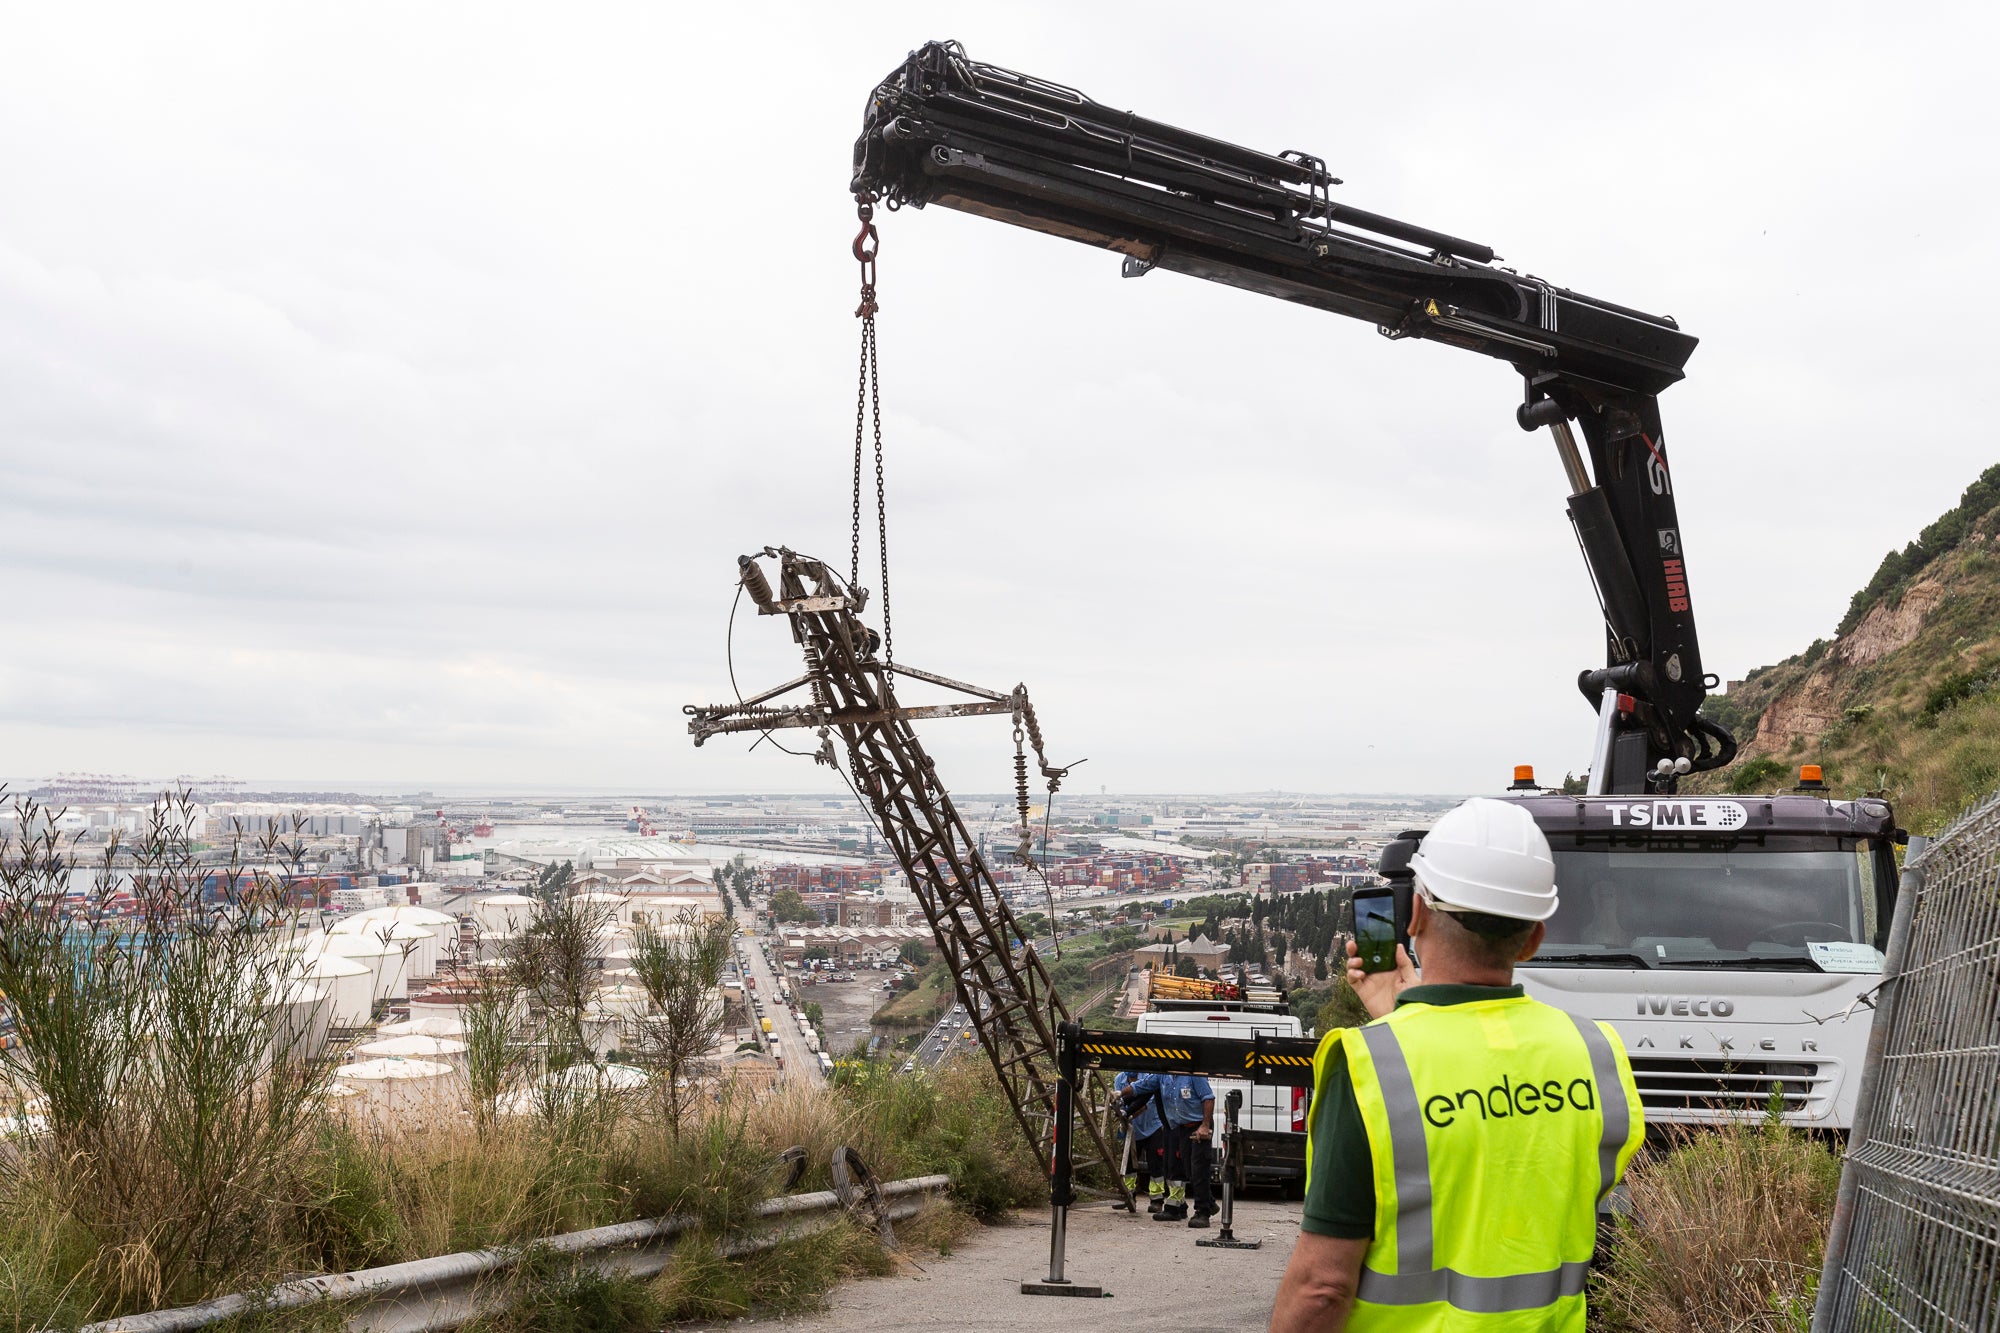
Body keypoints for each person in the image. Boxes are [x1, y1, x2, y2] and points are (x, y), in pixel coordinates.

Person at [1269, 798, 1644, 1333]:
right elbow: (1512, 1171)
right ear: (1534, 939)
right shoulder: (1595, 1053)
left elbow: (1322, 1288)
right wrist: (1406, 1015)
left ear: (1416, 914)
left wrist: (1403, 1031)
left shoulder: (1369, 1067)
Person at [1153, 1072, 1215, 1226]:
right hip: (1181, 1128)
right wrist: (1121, 1093)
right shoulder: (1163, 1076)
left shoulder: (1194, 1076)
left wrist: (1205, 1125)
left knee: (1199, 1169)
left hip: (1198, 1127)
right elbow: (1141, 1086)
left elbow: (1208, 1098)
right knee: (1189, 1171)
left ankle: (1203, 1212)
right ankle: (1210, 1203)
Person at [1114, 1069, 1168, 1212]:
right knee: (1129, 1165)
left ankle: (1156, 1199)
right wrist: (1120, 1114)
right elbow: (1119, 1103)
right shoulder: (1120, 1079)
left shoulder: (1148, 1077)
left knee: (1156, 1162)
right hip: (1132, 1128)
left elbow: (1145, 1103)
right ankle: (1128, 1195)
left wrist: (1129, 1114)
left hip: (1153, 1125)